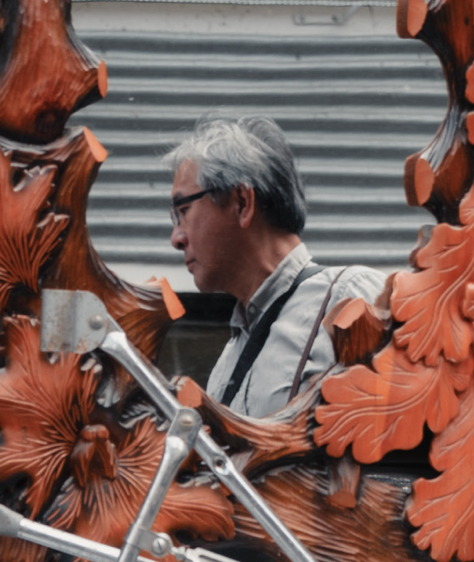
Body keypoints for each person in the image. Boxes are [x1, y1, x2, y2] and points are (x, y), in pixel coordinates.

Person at [164, 116, 385, 418]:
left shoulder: (351, 297)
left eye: (184, 211)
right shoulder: (227, 362)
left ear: (242, 202)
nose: (176, 238)